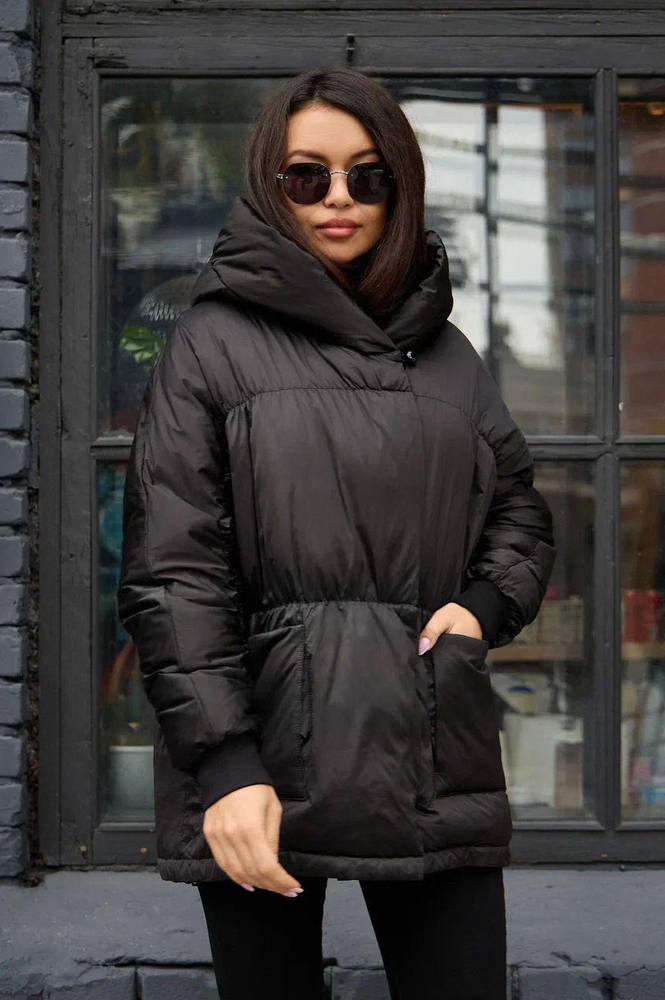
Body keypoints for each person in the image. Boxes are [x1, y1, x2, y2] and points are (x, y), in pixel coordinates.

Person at [117, 67, 556, 1000]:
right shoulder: (209, 343)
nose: (339, 199)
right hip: (259, 758)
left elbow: (518, 507)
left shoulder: (447, 352)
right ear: (268, 185)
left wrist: (481, 607)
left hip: (430, 748)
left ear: (399, 186)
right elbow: (175, 573)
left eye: (367, 175)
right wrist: (225, 763)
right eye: (306, 176)